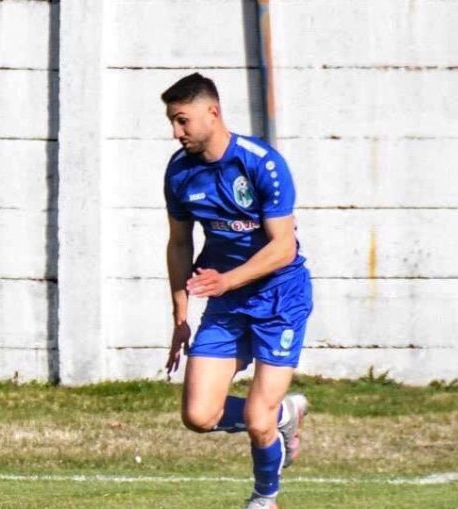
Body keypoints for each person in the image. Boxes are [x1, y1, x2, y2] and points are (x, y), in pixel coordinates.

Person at [160, 73, 313, 509]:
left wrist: (227, 280)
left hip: (280, 298)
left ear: (213, 112)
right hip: (226, 303)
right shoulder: (180, 171)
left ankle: (265, 498)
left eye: (182, 120)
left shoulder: (261, 164)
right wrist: (180, 315)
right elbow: (179, 243)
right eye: (172, 122)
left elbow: (283, 248)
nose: (176, 132)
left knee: (257, 420)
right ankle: (285, 413)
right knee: (198, 415)